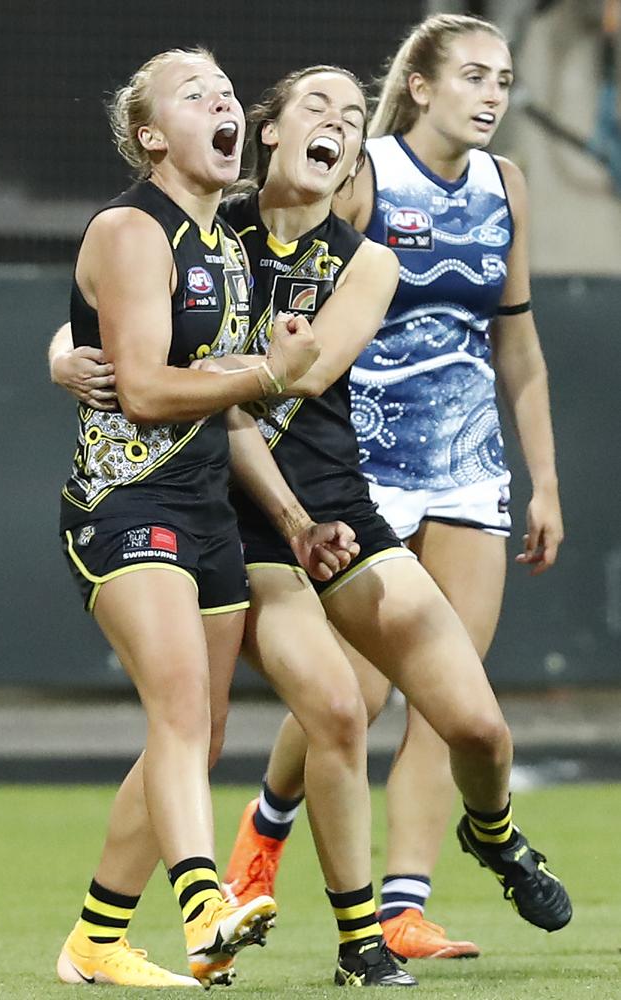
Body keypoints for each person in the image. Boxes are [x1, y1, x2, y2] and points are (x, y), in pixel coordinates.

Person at [54, 55, 571, 987]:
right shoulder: (212, 221)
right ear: (270, 132)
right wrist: (68, 352)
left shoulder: (365, 259)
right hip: (229, 514)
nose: (339, 119)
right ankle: (353, 933)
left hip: (330, 507)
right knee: (318, 710)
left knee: (479, 731)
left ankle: (490, 831)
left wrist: (286, 461)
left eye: (351, 112)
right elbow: (127, 307)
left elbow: (305, 370)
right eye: (317, 105)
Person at [223, 12, 567, 963]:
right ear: (419, 85)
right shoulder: (362, 170)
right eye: (473, 76)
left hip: (467, 464)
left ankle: (403, 910)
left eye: (503, 79)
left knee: (448, 702)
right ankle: (266, 827)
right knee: (355, 697)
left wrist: (543, 482)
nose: (493, 94)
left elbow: (520, 345)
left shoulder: (509, 186)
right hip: (362, 463)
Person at [49, 45, 351, 990]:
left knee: (201, 734)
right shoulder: (132, 231)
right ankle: (202, 904)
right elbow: (141, 388)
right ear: (150, 139)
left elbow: (223, 404)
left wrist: (294, 518)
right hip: (123, 503)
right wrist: (270, 373)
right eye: (196, 95)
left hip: (208, 511)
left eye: (226, 90)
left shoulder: (225, 247)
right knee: (179, 713)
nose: (222, 101)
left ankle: (96, 939)